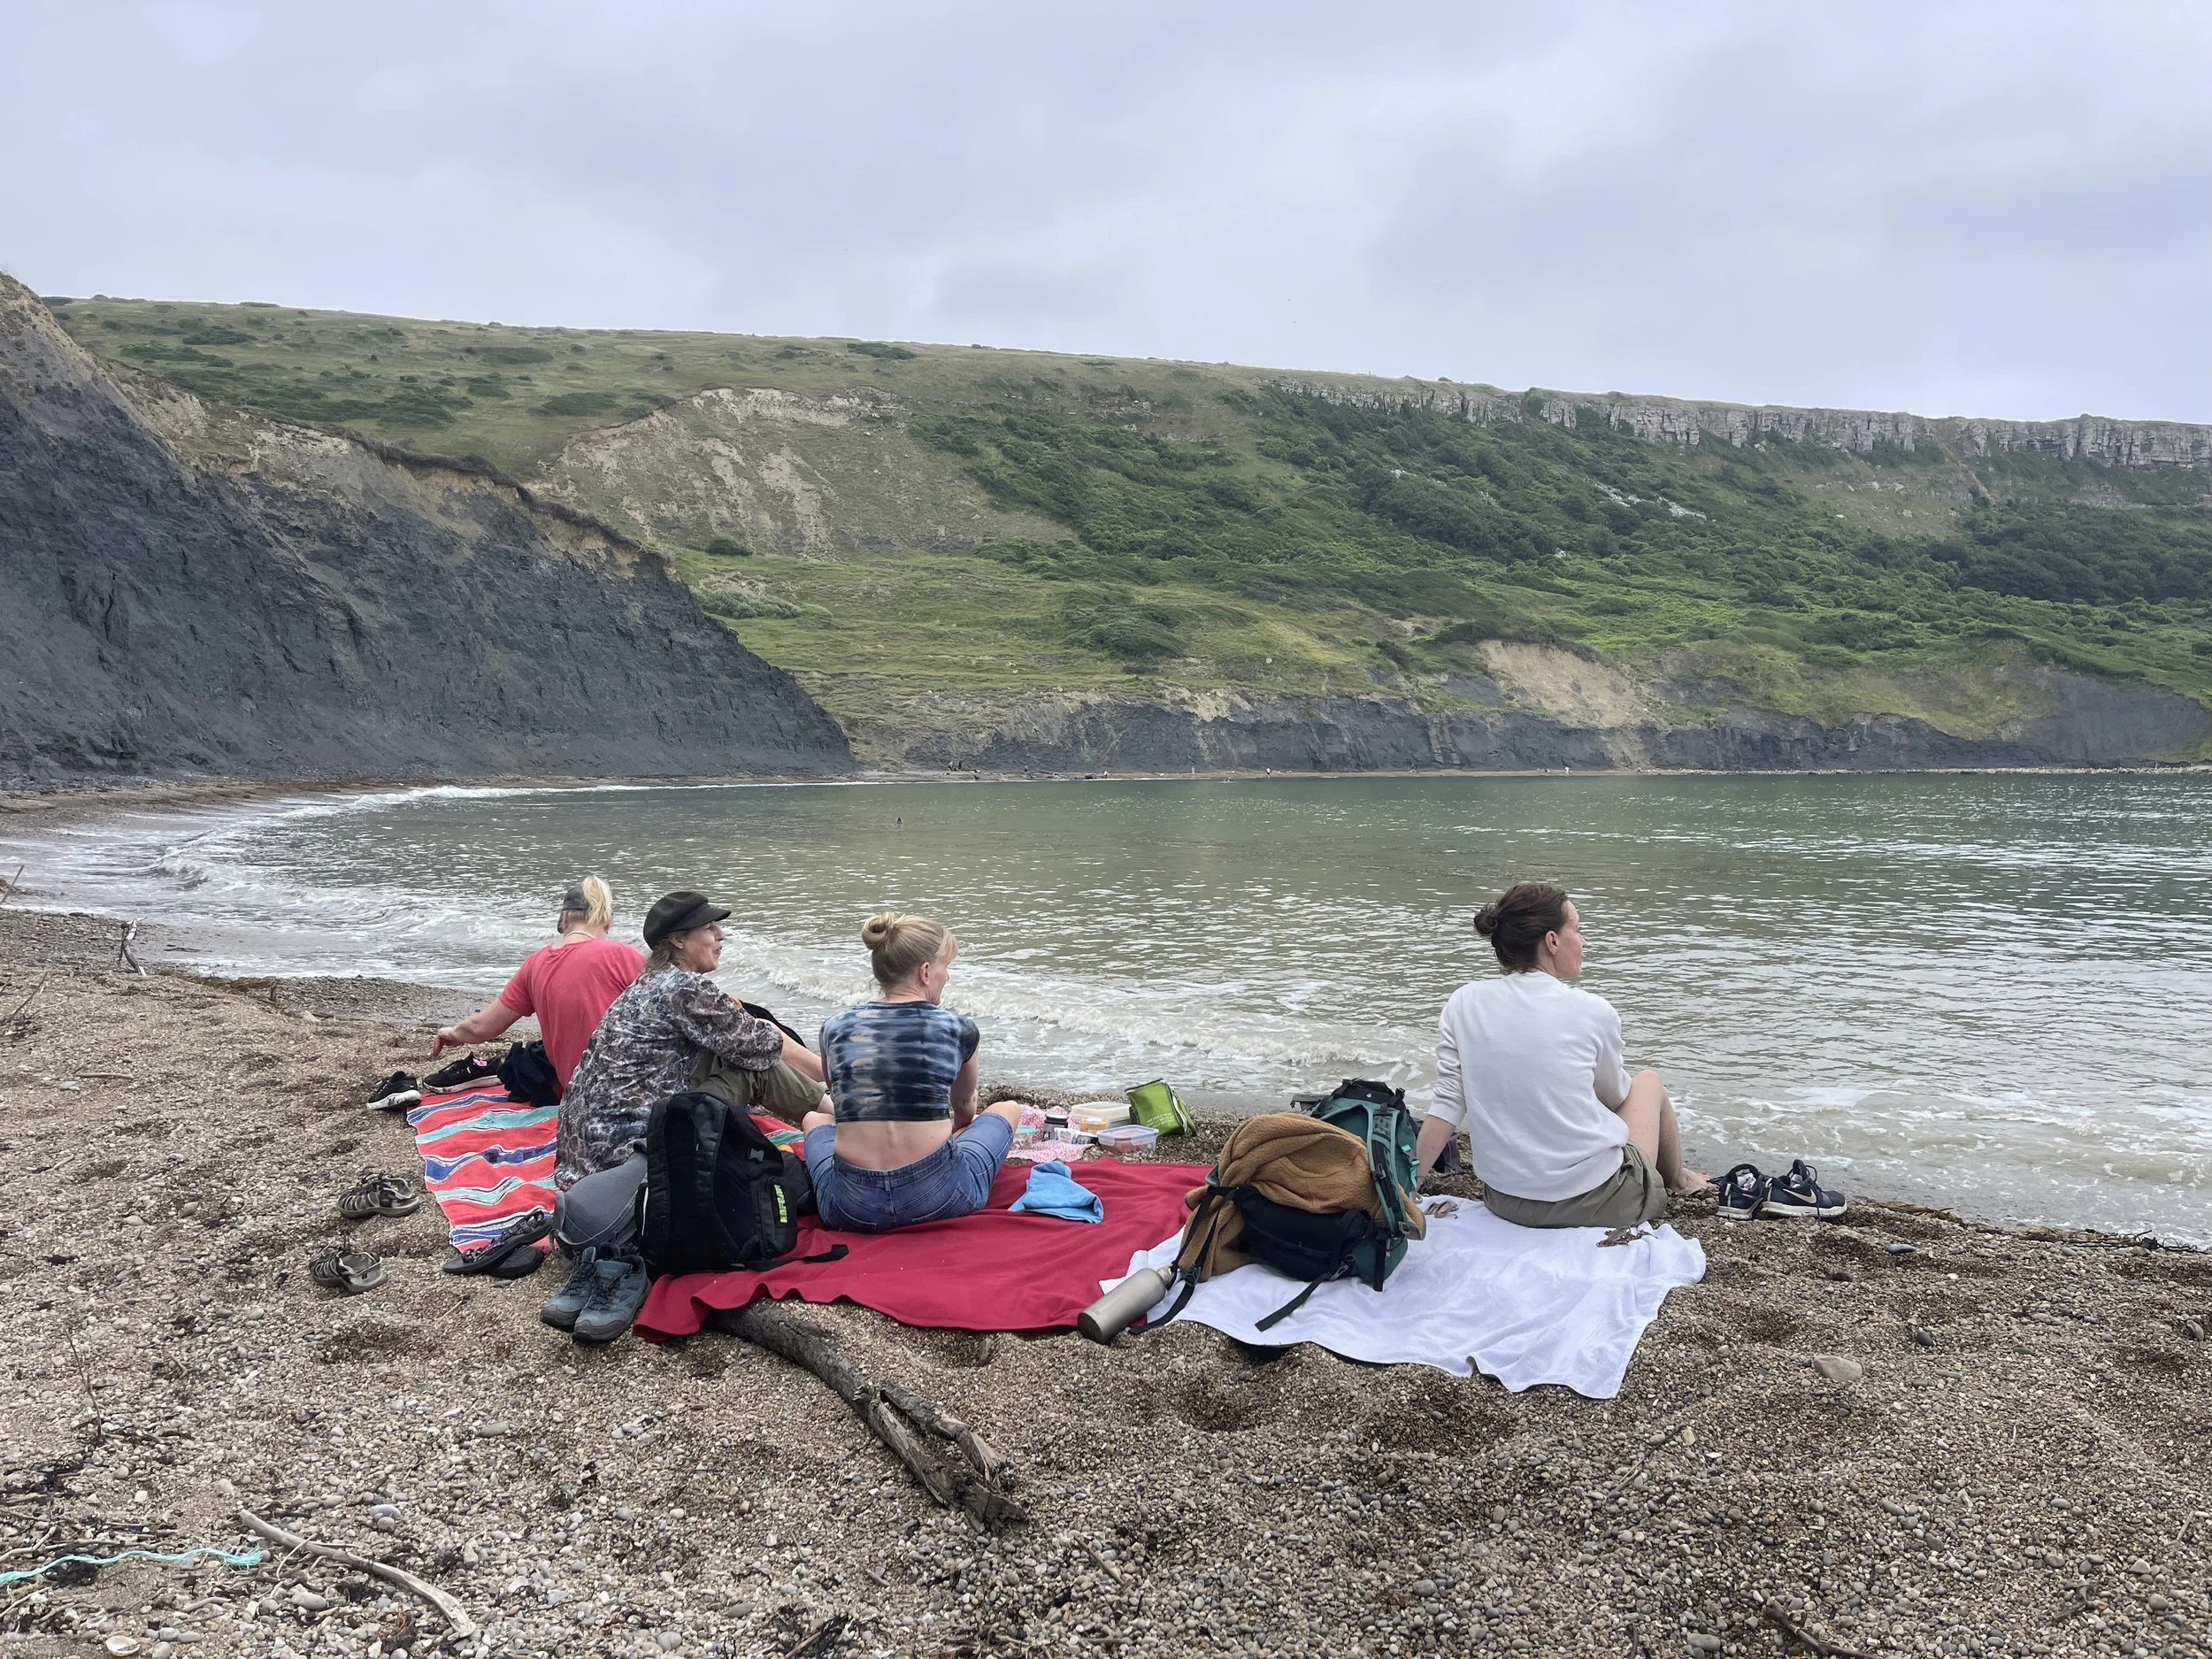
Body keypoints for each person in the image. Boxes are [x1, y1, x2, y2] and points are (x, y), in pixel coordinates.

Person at [1415, 880, 1707, 1228]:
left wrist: (1409, 1186)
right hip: (1596, 1203)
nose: (1583, 942)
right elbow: (1616, 1097)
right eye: (1578, 930)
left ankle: (1670, 1176)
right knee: (1648, 1083)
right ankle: (1676, 1181)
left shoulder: (1463, 1002)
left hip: (1506, 1200)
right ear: (1552, 941)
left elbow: (1446, 1107)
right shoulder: (1592, 1010)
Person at [552, 889, 826, 1188]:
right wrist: (831, 1069)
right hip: (635, 1157)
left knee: (733, 1046)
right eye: (709, 928)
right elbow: (763, 1045)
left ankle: (835, 1101)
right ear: (678, 940)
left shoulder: (648, 983)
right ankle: (847, 1110)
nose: (721, 936)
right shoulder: (685, 989)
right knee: (752, 1063)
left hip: (585, 1162)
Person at [799, 911, 1021, 1233]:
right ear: (926, 971)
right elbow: (965, 1109)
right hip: (940, 1196)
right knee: (1007, 1109)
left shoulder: (834, 1028)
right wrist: (957, 1131)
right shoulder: (958, 1028)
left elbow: (841, 1100)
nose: (948, 976)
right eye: (946, 967)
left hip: (852, 1207)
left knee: (814, 1119)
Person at [431, 878, 643, 1094]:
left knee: (530, 1057)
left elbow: (480, 1028)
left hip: (575, 1093)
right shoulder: (623, 956)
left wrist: (452, 1033)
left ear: (564, 919)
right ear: (607, 922)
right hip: (629, 1088)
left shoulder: (536, 963)